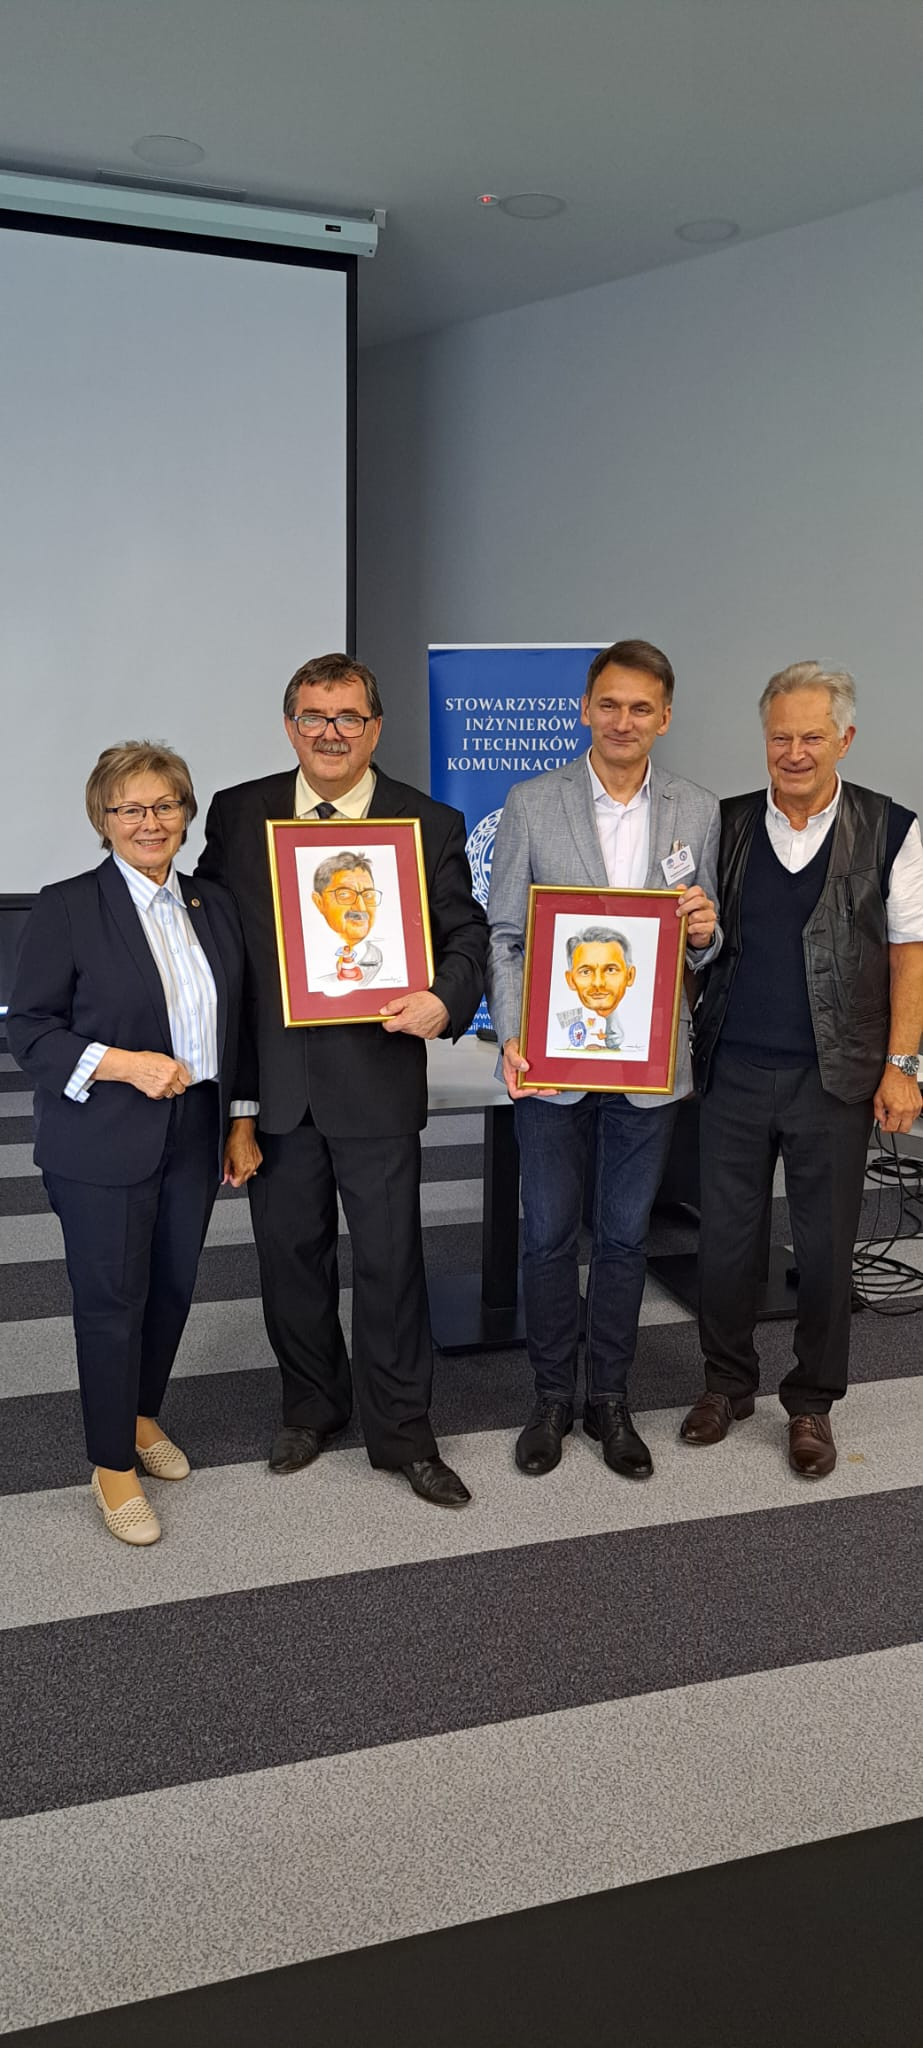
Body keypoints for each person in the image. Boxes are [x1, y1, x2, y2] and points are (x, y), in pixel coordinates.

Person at [198, 651, 487, 1509]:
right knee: (290, 1260)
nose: (331, 733)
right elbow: (220, 952)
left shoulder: (426, 821)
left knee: (391, 1263)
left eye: (348, 717)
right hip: (275, 1090)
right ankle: (311, 1408)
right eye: (314, 717)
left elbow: (466, 936)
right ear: (291, 726)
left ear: (375, 727)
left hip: (376, 1082)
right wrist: (235, 1101)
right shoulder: (239, 813)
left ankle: (403, 1433)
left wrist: (444, 997)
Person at [7, 743, 254, 1546]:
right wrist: (123, 1064)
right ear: (104, 819)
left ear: (186, 813)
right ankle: (111, 1465)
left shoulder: (213, 904)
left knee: (173, 1287)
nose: (150, 822)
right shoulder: (68, 907)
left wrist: (240, 1119)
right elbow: (29, 1030)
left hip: (197, 1128)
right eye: (130, 809)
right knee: (112, 1302)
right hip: (102, 1138)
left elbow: (239, 1022)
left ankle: (142, 1417)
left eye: (165, 805)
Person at [683, 660, 923, 1477]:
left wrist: (902, 1065)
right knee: (725, 1243)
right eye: (779, 736)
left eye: (811, 737)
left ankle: (812, 1402)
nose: (793, 752)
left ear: (843, 739)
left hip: (837, 1076)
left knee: (823, 1249)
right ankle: (726, 1384)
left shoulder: (891, 828)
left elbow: (909, 954)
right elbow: (692, 943)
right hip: (731, 1069)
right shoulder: (722, 824)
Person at [487, 639, 720, 1480]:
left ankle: (609, 1400)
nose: (623, 721)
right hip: (551, 1061)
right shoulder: (530, 802)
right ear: (584, 709)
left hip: (647, 1067)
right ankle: (552, 1397)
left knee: (623, 1239)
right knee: (549, 1235)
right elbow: (506, 934)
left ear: (665, 717)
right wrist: (513, 1034)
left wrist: (705, 932)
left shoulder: (697, 809)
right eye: (609, 704)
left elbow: (701, 943)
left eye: (640, 707)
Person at [310, 850, 384, 991]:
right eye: (344, 894)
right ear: (319, 902)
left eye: (368, 895)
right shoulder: (309, 964)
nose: (361, 907)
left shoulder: (379, 957)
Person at [556, 926, 636, 1052]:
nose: (598, 983)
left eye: (610, 970)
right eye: (586, 972)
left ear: (630, 976)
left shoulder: (642, 1028)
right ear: (571, 980)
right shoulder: (560, 1027)